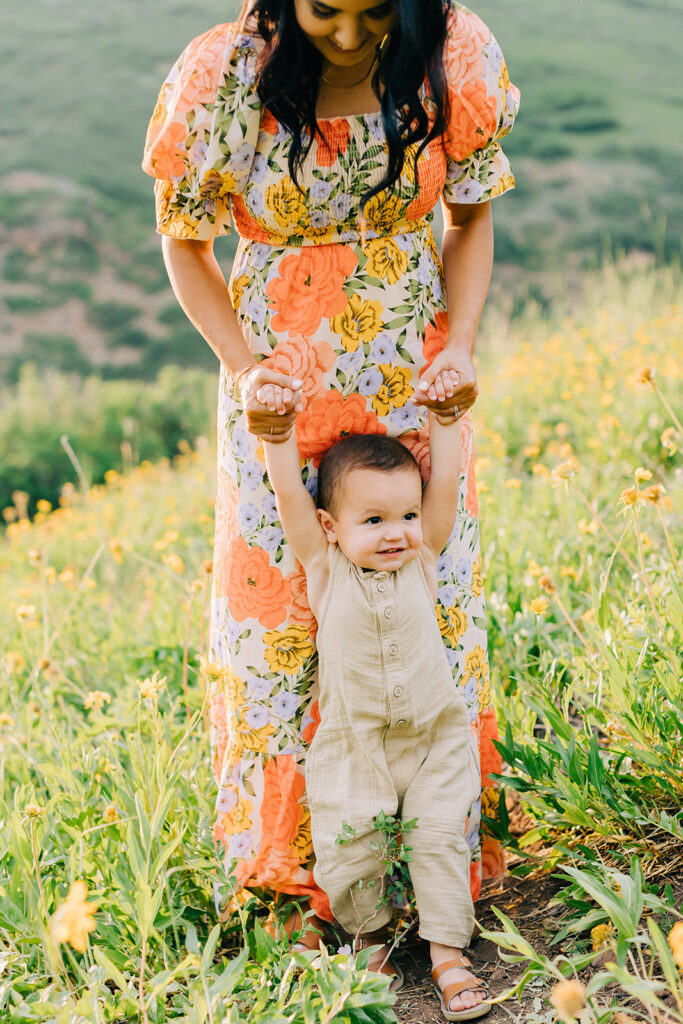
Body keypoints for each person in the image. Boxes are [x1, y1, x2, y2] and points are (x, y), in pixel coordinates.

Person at [142, 0, 519, 1016]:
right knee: (281, 620)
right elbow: (186, 243)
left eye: (369, 12)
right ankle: (303, 892)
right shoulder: (224, 69)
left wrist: (461, 345)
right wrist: (246, 373)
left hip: (409, 362)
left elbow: (471, 213)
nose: (348, 36)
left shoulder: (452, 52)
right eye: (322, 10)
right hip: (278, 374)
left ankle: (427, 875)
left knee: (420, 592)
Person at [257, 380, 492, 1017]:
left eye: (406, 516)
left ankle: (447, 951)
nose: (396, 533)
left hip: (433, 737)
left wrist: (444, 423)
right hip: (355, 742)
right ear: (331, 527)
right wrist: (278, 438)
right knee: (350, 843)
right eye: (374, 520)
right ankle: (371, 940)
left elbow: (443, 489)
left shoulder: (423, 558)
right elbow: (287, 497)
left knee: (440, 837)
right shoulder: (326, 566)